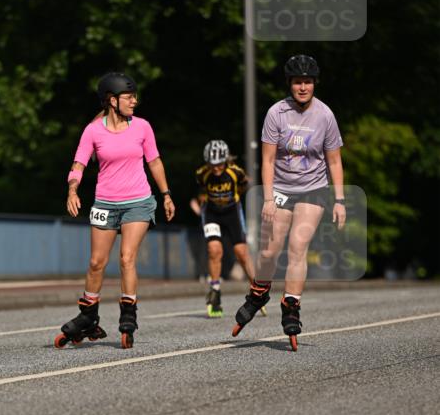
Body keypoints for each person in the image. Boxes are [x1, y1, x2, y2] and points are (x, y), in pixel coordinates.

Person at [232, 54, 347, 350]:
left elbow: (334, 161)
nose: (303, 87)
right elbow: (267, 159)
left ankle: (291, 305)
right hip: (281, 188)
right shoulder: (276, 113)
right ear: (290, 84)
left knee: (298, 245)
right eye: (298, 82)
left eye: (308, 81)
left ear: (315, 83)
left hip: (313, 189)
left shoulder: (325, 115)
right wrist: (268, 198)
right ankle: (258, 293)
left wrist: (340, 200)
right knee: (270, 251)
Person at [55, 72, 175, 349]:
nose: (135, 101)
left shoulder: (143, 127)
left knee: (126, 257)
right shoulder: (93, 131)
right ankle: (88, 316)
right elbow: (79, 163)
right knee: (97, 262)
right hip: (105, 203)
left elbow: (154, 162)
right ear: (112, 100)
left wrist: (166, 194)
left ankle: (128, 315)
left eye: (134, 96)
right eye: (129, 97)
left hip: (138, 201)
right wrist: (72, 189)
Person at [190, 139, 261, 318]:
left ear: (226, 160)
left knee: (241, 253)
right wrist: (200, 202)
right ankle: (215, 292)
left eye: (219, 164)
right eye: (212, 164)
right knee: (214, 250)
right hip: (212, 213)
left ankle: (258, 291)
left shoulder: (235, 172)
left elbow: (245, 184)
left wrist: (234, 196)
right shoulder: (202, 173)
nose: (216, 168)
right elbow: (200, 192)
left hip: (232, 213)